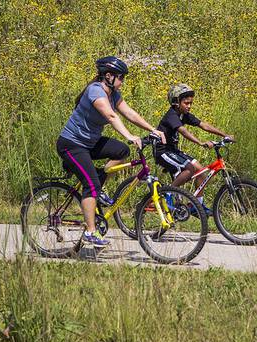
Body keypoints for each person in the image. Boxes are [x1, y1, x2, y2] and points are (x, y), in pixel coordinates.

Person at [57, 56, 166, 248]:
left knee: (121, 151)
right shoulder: (95, 91)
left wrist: (152, 130)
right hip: (71, 145)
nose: (122, 81)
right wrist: (130, 136)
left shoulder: (113, 94)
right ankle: (90, 232)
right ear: (108, 76)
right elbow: (110, 115)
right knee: (90, 184)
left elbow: (129, 113)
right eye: (121, 77)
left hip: (90, 143)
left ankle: (97, 185)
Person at [154, 83, 234, 214]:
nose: (189, 106)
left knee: (201, 171)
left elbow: (204, 125)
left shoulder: (183, 114)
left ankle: (196, 206)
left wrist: (225, 135)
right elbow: (183, 131)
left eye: (191, 103)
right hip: (163, 151)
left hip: (173, 151)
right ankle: (166, 194)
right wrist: (200, 142)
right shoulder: (171, 115)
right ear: (176, 102)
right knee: (189, 169)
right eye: (186, 103)